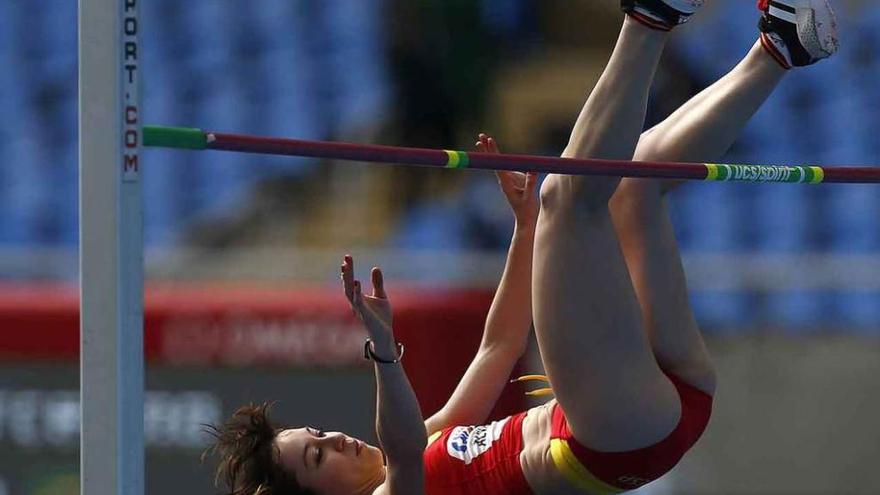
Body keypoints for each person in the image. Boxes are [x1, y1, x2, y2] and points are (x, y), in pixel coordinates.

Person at [204, 1, 839, 493]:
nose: (334, 440)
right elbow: (397, 450)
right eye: (317, 457)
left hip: (647, 410)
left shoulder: (427, 441)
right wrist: (383, 353)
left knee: (634, 186)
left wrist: (525, 230)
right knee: (573, 191)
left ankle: (782, 45)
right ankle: (650, 19)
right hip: (613, 436)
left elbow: (499, 345)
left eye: (318, 433)